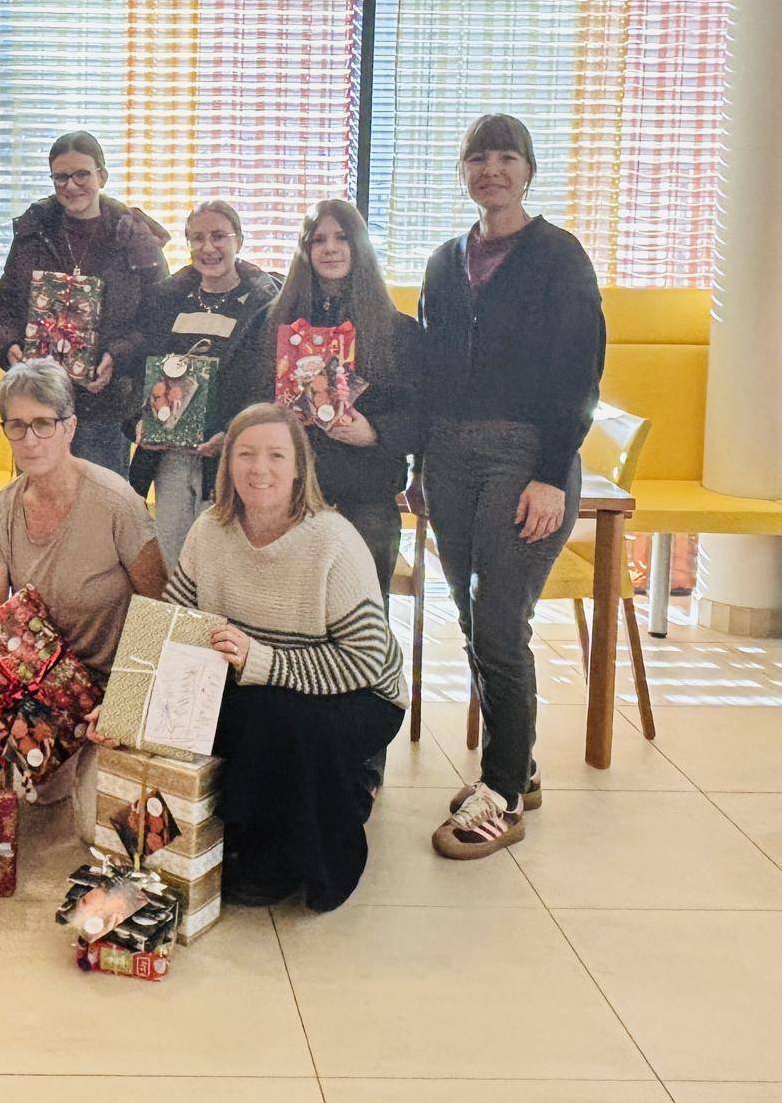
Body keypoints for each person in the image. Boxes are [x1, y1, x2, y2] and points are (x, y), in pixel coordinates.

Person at [420, 115, 605, 859]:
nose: (490, 170)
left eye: (505, 157)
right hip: (448, 459)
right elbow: (431, 372)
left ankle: (498, 791)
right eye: (477, 157)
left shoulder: (558, 257)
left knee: (499, 621)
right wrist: (415, 471)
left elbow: (578, 372)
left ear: (527, 170)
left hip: (527, 456)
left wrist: (550, 473)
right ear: (462, 170)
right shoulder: (443, 260)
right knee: (472, 618)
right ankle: (515, 763)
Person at [164, 404, 406, 910]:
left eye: (276, 455)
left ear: (300, 467)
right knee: (204, 715)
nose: (260, 468)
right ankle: (229, 837)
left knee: (273, 716)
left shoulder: (333, 541)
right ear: (227, 463)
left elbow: (366, 662)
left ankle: (281, 856)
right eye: (246, 454)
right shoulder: (209, 530)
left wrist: (263, 662)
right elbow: (173, 625)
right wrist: (127, 703)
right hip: (255, 679)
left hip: (360, 697)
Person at [0, 359, 167, 836]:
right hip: (41, 683)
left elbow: (161, 609)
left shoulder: (116, 501)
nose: (30, 439)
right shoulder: (4, 507)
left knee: (92, 829)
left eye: (43, 424)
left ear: (70, 427)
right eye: (17, 426)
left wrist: (128, 703)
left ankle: (82, 758)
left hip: (110, 688)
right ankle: (39, 773)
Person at [260, 199, 421, 604]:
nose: (330, 248)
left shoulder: (397, 331)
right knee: (286, 612)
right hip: (288, 493)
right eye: (318, 240)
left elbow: (422, 414)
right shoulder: (274, 323)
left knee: (363, 614)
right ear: (305, 251)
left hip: (365, 493)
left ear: (361, 246)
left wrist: (375, 433)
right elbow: (248, 400)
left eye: (342, 238)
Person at [0, 131, 169, 477]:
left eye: (82, 174)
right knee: (37, 507)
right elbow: (6, 309)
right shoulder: (32, 233)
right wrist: (8, 347)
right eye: (61, 177)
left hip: (106, 405)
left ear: (102, 175)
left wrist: (118, 356)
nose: (71, 186)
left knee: (101, 507)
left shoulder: (136, 238)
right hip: (38, 404)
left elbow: (157, 321)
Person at [129, 200, 281, 568]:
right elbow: (139, 369)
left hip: (230, 455)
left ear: (239, 241)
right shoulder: (164, 299)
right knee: (174, 557)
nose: (208, 247)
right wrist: (138, 420)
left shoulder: (267, 304)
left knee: (222, 561)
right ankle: (179, 627)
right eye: (197, 238)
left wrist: (234, 433)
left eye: (218, 236)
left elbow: (268, 384)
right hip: (169, 456)